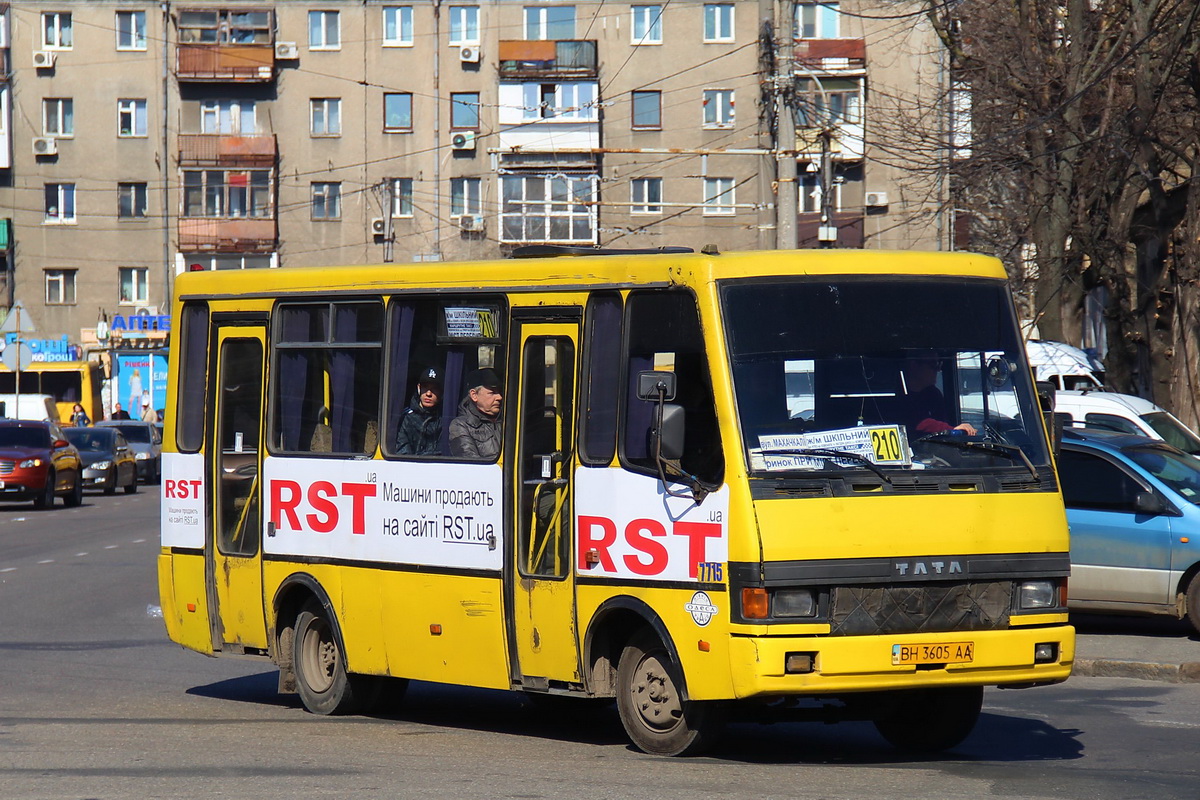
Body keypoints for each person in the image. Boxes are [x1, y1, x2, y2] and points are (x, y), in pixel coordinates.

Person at [898, 354, 977, 437]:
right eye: (933, 365)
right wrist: (952, 430)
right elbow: (920, 423)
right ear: (913, 365)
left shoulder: (933, 394)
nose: (938, 370)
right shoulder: (898, 395)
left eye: (939, 365)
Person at [449, 368, 503, 459]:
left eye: (500, 392)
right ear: (474, 395)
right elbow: (470, 462)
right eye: (492, 392)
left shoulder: (510, 420)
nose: (499, 397)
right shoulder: (461, 425)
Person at [395, 366, 444, 455]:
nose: (428, 394)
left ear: (441, 392)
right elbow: (402, 452)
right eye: (425, 387)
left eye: (434, 389)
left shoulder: (445, 418)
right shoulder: (406, 418)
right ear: (418, 388)